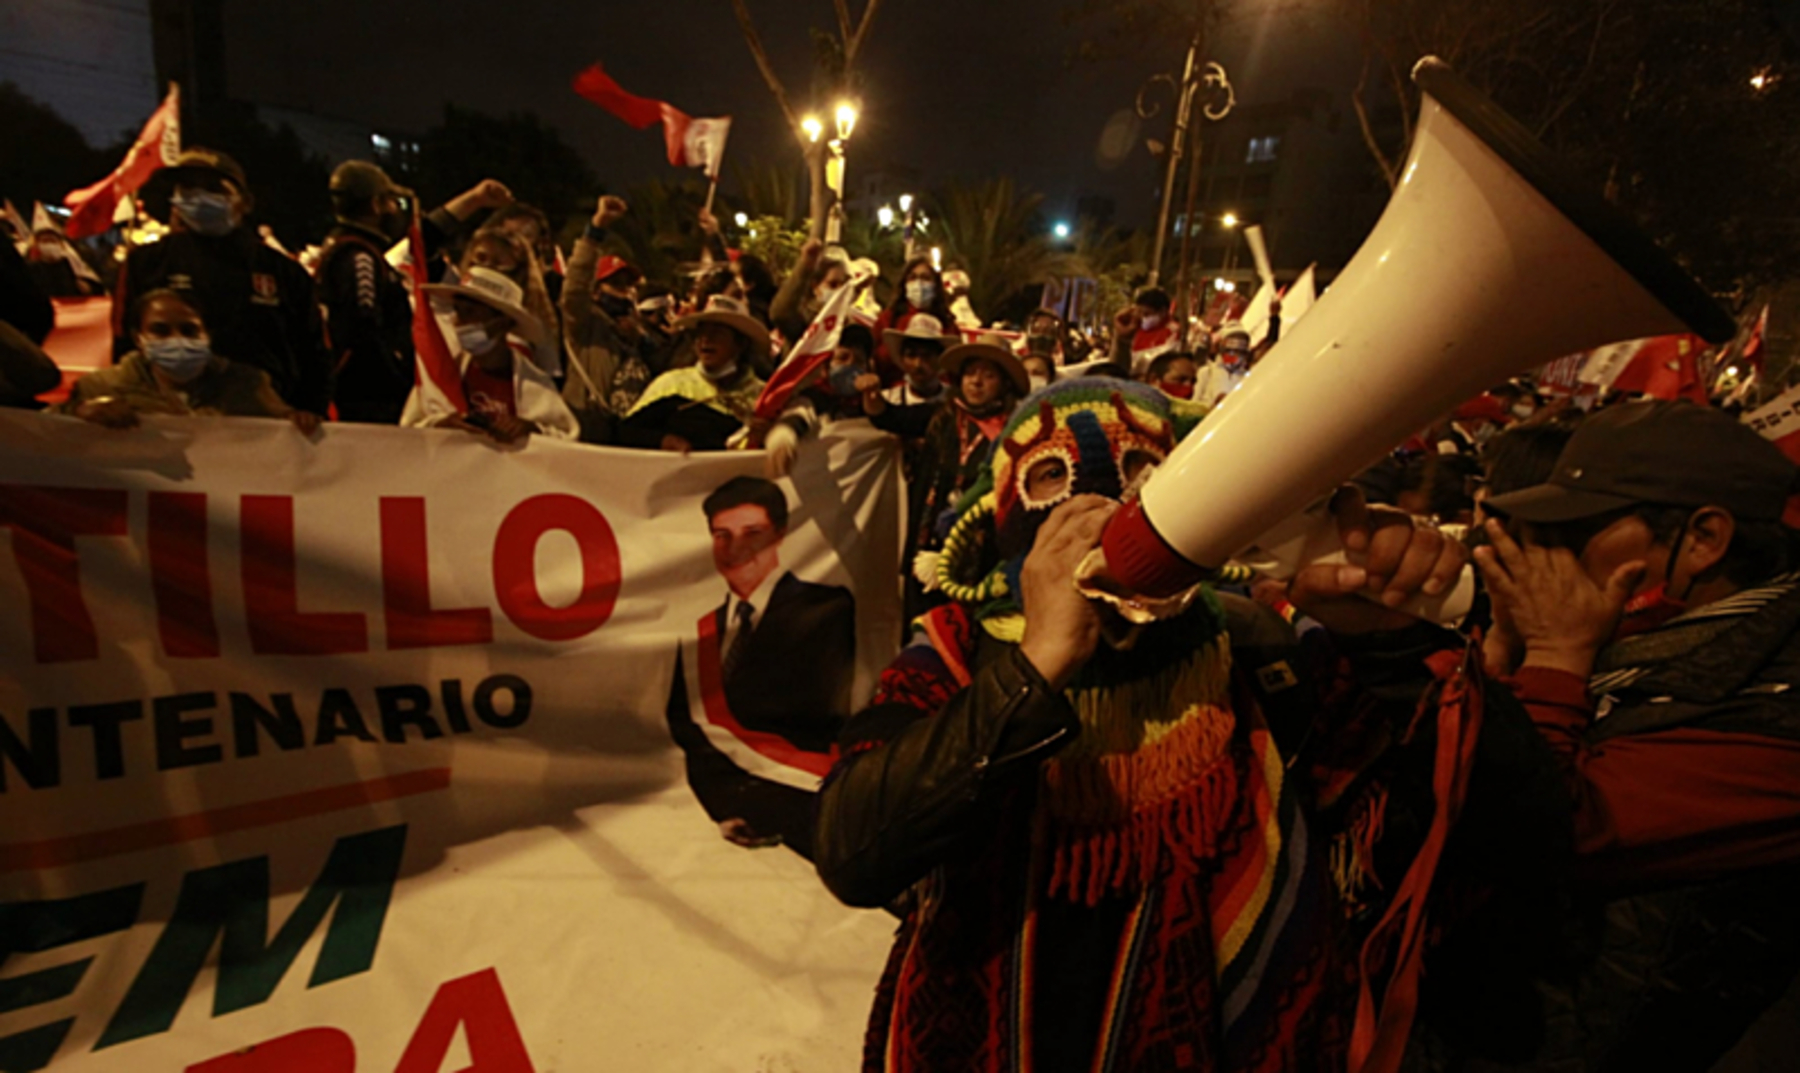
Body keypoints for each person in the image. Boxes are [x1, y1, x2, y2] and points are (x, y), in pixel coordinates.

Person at [813, 377, 1503, 1072]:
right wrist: (1035, 665)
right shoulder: (955, 649)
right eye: (1051, 474)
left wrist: (1390, 640)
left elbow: (1415, 832)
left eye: (1143, 468)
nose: (1100, 495)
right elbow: (851, 847)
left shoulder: (1258, 641)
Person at [1468, 399, 1800, 1071]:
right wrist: (1505, 654)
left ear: (1703, 540)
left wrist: (1556, 655)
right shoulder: (1654, 639)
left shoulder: (1779, 703)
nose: (1549, 551)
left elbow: (1543, 842)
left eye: (1578, 529)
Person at [664, 476, 857, 857]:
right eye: (722, 535)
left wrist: (754, 805)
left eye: (753, 532)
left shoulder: (826, 609)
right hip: (714, 822)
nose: (736, 548)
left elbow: (811, 712)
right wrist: (722, 808)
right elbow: (681, 722)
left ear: (781, 534)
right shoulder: (703, 628)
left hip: (801, 814)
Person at [116, 148, 330, 416]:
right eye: (188, 187)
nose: (199, 196)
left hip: (267, 424)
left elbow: (314, 356)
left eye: (213, 188)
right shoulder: (147, 263)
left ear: (245, 202)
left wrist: (310, 419)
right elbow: (125, 345)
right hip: (169, 424)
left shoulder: (284, 272)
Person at [315, 162, 513, 423]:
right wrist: (399, 375)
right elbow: (363, 335)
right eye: (391, 202)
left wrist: (474, 200)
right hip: (371, 403)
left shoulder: (358, 251)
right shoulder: (359, 257)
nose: (397, 211)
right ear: (376, 205)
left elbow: (424, 239)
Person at [60, 288, 318, 434]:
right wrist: (79, 413)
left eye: (189, 330)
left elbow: (285, 428)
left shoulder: (248, 384)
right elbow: (42, 431)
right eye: (160, 331)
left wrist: (299, 421)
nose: (177, 340)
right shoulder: (101, 387)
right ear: (138, 338)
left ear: (207, 334)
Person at [905, 333, 1029, 617]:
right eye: (971, 373)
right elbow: (888, 417)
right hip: (927, 540)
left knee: (961, 622)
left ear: (1005, 384)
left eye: (988, 375)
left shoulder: (1014, 433)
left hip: (981, 546)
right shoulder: (943, 417)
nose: (976, 382)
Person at [400, 266, 576, 443]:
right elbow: (406, 432)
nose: (459, 322)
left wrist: (533, 430)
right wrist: (441, 425)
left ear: (503, 323)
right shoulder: (440, 376)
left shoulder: (536, 384)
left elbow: (566, 440)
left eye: (470, 313)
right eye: (458, 311)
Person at [618, 294, 767, 453]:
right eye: (701, 332)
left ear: (740, 344)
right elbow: (625, 432)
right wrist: (662, 440)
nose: (706, 339)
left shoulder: (763, 397)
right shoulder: (670, 385)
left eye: (717, 333)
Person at [762, 323, 877, 477]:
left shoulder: (872, 404)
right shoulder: (816, 397)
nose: (850, 365)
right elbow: (800, 413)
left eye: (859, 361)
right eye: (843, 358)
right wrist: (783, 438)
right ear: (825, 367)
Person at [872, 257, 960, 364]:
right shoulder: (887, 320)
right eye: (912, 278)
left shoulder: (948, 325)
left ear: (936, 285)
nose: (918, 283)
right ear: (904, 284)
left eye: (925, 278)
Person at [1110, 286, 1177, 375]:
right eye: (1139, 313)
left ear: (1162, 311)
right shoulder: (1136, 330)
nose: (1142, 317)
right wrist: (1121, 338)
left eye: (1146, 313)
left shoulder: (1173, 333)